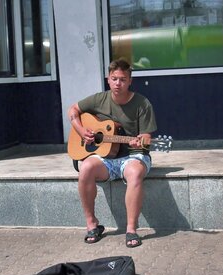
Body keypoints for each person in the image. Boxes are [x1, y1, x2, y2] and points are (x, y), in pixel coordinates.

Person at [67, 59, 157, 248]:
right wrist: (82, 130)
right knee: (86, 168)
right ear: (108, 79)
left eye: (123, 80)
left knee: (134, 172)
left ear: (130, 81)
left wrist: (139, 141)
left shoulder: (142, 103)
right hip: (106, 158)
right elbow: (72, 110)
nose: (118, 83)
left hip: (133, 156)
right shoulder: (99, 99)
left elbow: (146, 137)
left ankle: (131, 230)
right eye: (114, 79)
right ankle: (92, 224)